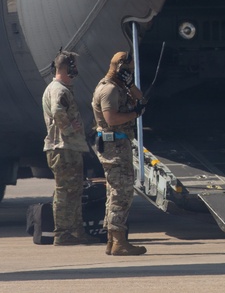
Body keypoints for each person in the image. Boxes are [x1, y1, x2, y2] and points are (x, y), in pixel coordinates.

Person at [92, 51, 148, 256]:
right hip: (114, 147)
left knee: (115, 191)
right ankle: (119, 241)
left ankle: (112, 240)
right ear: (119, 68)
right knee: (121, 192)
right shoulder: (109, 90)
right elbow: (111, 119)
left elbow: (142, 99)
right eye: (127, 70)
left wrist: (131, 84)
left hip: (119, 145)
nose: (129, 73)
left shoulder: (118, 87)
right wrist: (134, 113)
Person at [42, 50, 94, 245]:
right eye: (73, 67)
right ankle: (62, 233)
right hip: (63, 148)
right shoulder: (59, 90)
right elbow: (57, 110)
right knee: (65, 191)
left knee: (74, 190)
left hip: (67, 147)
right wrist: (70, 127)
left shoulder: (57, 88)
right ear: (67, 68)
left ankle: (76, 231)